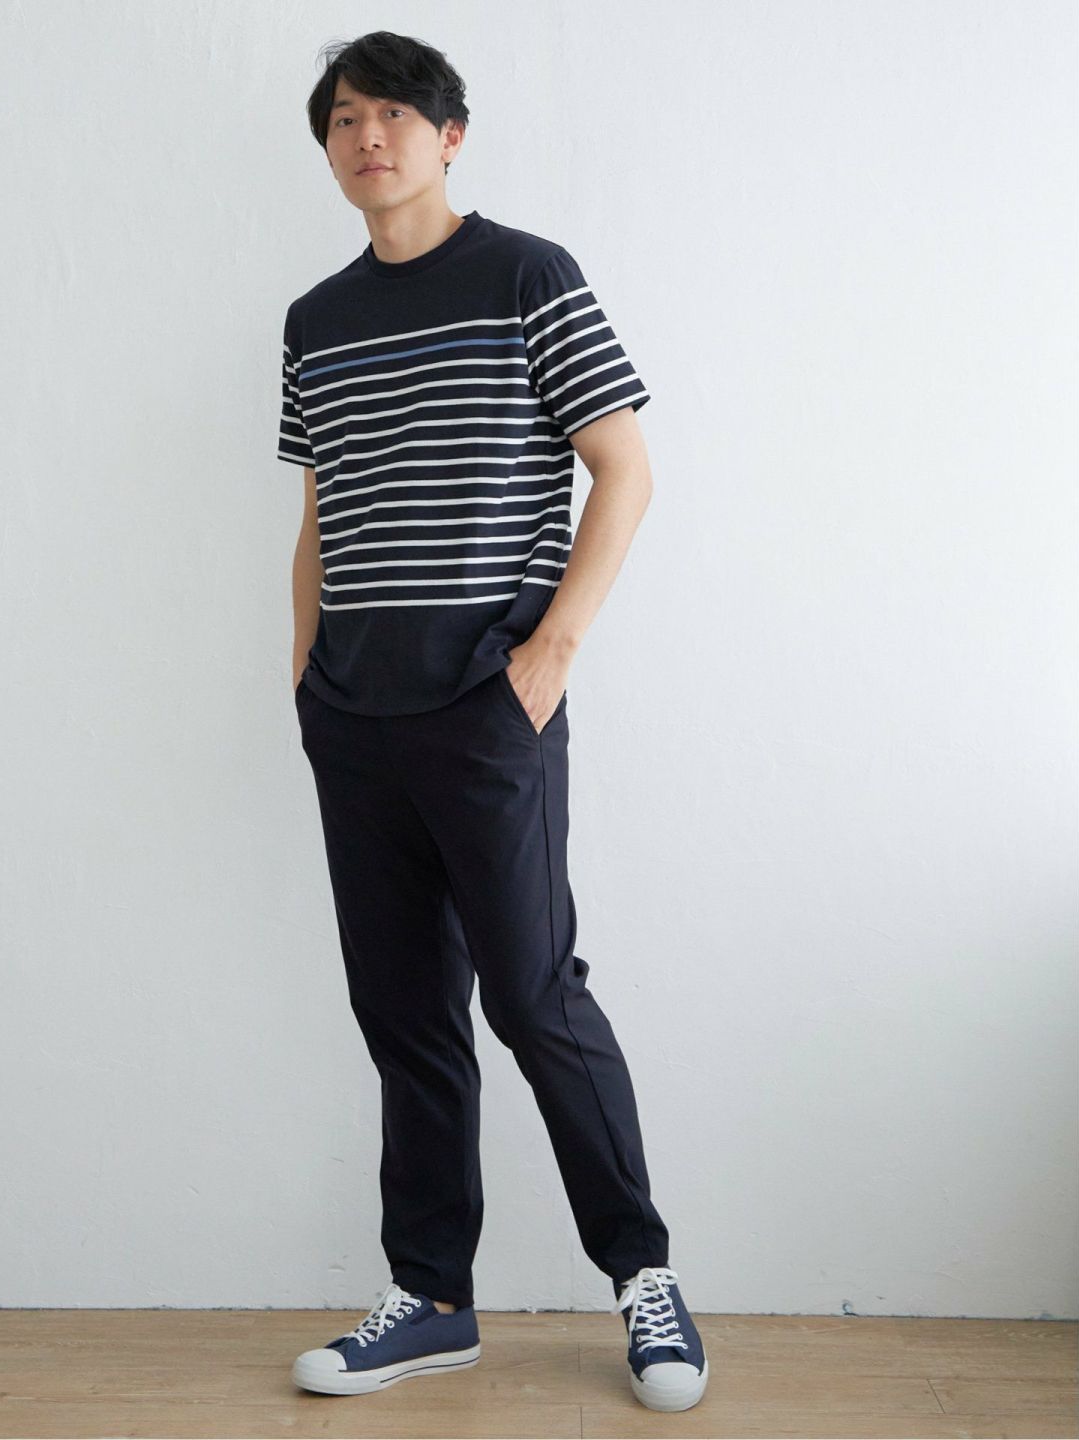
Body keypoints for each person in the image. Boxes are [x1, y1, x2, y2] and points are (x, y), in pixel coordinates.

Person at [280, 29, 708, 1414]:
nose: (369, 137)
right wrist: (306, 671)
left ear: (449, 135)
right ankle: (433, 1300)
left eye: (394, 114)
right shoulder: (314, 321)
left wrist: (551, 654)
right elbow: (322, 512)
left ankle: (641, 1274)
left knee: (534, 995)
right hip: (355, 716)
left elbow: (623, 468)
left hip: (486, 704)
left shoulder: (529, 275)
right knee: (404, 1011)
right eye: (344, 119)